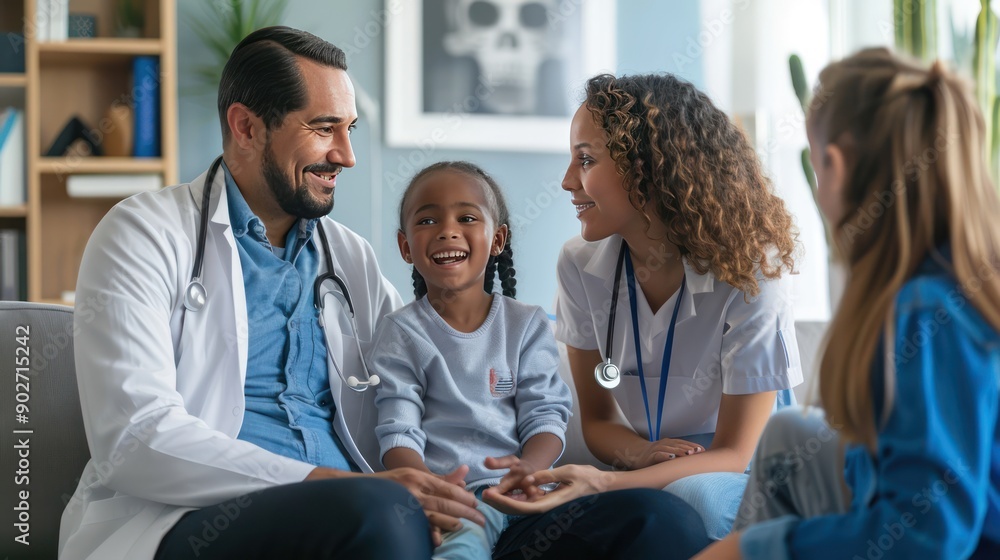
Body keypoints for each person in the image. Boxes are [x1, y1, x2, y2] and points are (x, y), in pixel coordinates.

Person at [58, 27, 485, 560]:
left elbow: (420, 388)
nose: (347, 156)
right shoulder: (142, 234)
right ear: (246, 127)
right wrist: (329, 483)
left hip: (357, 509)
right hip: (191, 518)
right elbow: (135, 438)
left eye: (350, 129)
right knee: (384, 515)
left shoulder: (349, 258)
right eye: (324, 128)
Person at [694, 48, 1000, 560]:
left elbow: (926, 536)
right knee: (792, 431)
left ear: (833, 166)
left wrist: (755, 547)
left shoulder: (925, 312)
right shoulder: (954, 283)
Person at [485, 72, 803, 543]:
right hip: (649, 465)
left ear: (648, 168)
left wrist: (607, 481)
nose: (567, 181)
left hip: (751, 471)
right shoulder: (579, 264)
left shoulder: (751, 271)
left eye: (586, 160)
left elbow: (737, 452)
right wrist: (640, 455)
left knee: (694, 499)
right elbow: (598, 421)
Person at [371, 161, 574, 559]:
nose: (447, 230)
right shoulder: (402, 332)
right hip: (456, 497)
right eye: (427, 219)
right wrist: (432, 490)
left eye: (466, 217)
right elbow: (397, 431)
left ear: (497, 239)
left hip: (528, 493)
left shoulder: (527, 324)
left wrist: (529, 468)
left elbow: (547, 416)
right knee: (462, 547)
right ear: (405, 247)